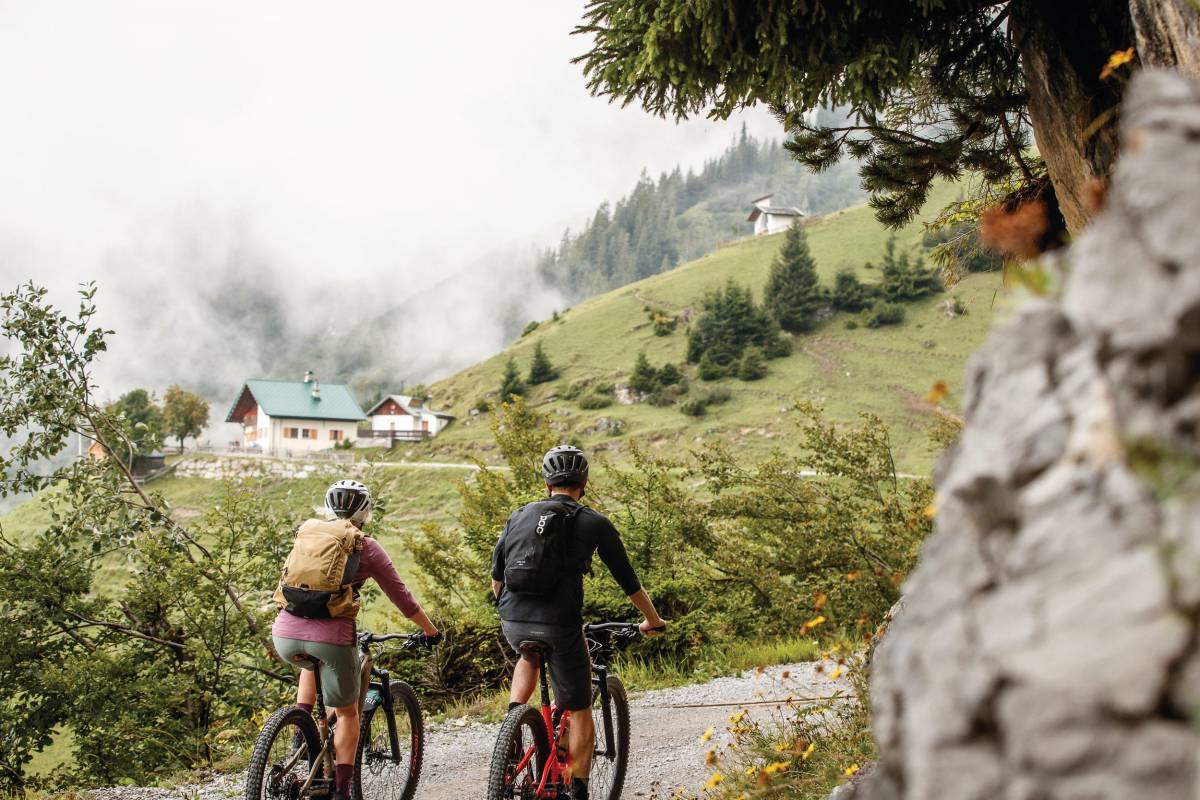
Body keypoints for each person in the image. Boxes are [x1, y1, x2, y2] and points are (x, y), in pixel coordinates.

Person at [491, 445, 667, 800]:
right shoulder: (595, 522)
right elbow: (628, 581)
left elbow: (496, 578)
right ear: (583, 483)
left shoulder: (519, 514)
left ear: (546, 483)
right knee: (581, 706)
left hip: (513, 619)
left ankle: (512, 727)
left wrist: (511, 610)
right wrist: (653, 620)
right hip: (560, 623)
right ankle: (579, 789)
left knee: (529, 655)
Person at [272, 479, 440, 800]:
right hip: (331, 638)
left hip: (285, 633)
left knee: (312, 663)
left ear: (327, 507)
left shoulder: (308, 534)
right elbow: (403, 599)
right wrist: (430, 631)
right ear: (365, 512)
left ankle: (301, 734)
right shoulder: (366, 546)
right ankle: (342, 792)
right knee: (349, 713)